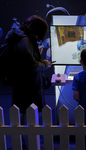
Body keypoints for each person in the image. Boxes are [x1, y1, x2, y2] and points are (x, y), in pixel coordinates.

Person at [5, 15, 51, 149]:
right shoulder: (26, 41)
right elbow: (30, 66)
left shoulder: (19, 37)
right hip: (30, 87)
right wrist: (44, 64)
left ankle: (27, 143)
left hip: (21, 85)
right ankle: (34, 144)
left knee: (23, 115)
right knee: (32, 117)